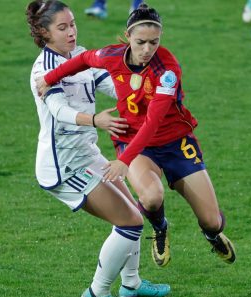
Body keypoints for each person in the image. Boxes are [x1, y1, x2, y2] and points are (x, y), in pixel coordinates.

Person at [37, 4, 236, 268]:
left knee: (211, 220)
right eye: (141, 42)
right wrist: (50, 77)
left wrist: (124, 161)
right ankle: (160, 228)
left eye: (154, 42)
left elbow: (153, 122)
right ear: (128, 37)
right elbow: (84, 60)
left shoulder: (167, 71)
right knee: (151, 197)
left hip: (175, 142)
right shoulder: (112, 55)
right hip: (136, 143)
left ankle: (212, 235)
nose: (147, 50)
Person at [26, 0, 169, 297]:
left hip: (87, 155)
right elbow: (59, 110)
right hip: (64, 167)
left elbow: (111, 84)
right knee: (130, 222)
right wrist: (95, 120)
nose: (72, 32)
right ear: (44, 33)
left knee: (135, 209)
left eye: (73, 24)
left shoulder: (81, 57)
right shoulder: (42, 70)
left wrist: (144, 93)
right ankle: (96, 295)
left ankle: (131, 285)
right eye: (62, 28)